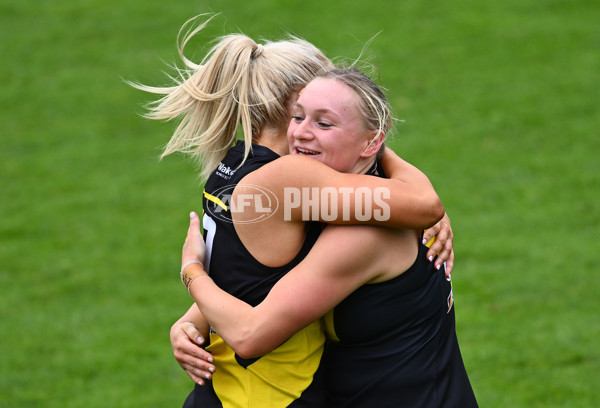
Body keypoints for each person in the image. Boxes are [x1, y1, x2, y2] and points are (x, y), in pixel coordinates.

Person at [134, 15, 453, 407]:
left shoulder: (236, 164)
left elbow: (249, 275)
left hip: (221, 392)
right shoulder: (290, 179)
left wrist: (192, 318)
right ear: (296, 102)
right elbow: (423, 205)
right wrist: (192, 272)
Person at [179, 68, 478, 407]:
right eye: (298, 116)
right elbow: (271, 284)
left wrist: (192, 270)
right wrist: (193, 320)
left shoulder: (364, 233)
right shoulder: (358, 201)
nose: (301, 133)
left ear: (372, 142)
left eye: (324, 124)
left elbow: (251, 334)